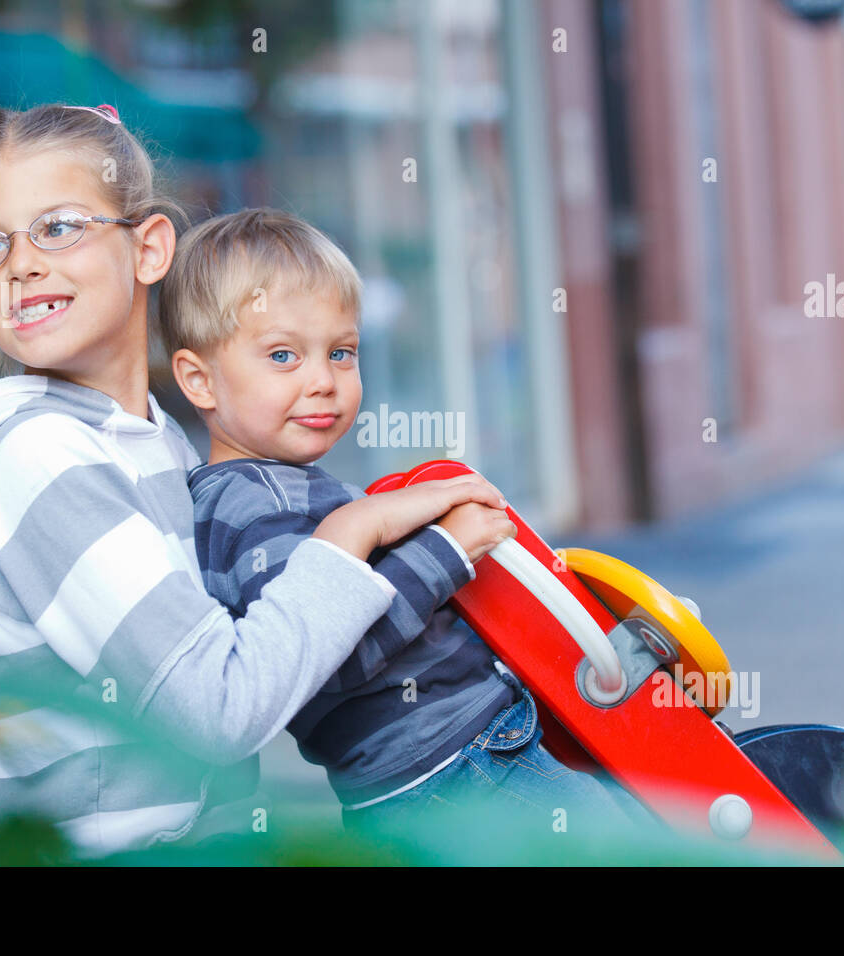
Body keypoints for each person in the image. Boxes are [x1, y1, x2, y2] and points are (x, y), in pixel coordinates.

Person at [0, 104, 512, 858]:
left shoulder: (152, 444)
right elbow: (217, 708)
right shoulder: (38, 458)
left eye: (60, 227)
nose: (23, 263)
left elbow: (273, 645)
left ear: (149, 248)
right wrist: (354, 530)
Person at [160, 208, 660, 846]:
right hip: (453, 769)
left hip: (443, 767)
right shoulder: (251, 505)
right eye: (283, 355)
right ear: (198, 379)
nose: (323, 381)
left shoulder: (278, 488)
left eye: (341, 352)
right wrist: (448, 551)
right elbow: (323, 654)